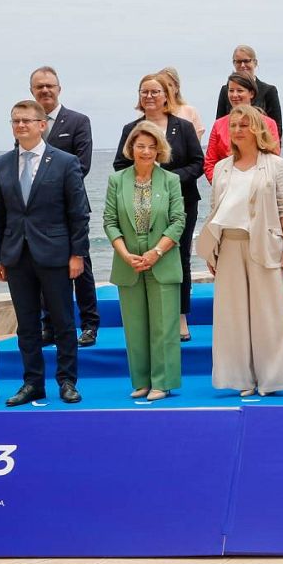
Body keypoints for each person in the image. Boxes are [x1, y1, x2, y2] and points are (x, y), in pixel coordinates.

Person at [0, 100, 88, 406]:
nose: (21, 125)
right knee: (27, 324)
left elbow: (78, 213)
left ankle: (67, 380)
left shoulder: (65, 162)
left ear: (42, 125)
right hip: (16, 255)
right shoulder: (2, 163)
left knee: (62, 321)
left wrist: (78, 254)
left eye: (27, 120)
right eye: (15, 121)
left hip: (56, 254)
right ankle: (32, 383)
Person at [198, 105, 283, 396]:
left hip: (266, 244)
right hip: (229, 245)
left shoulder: (276, 165)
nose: (238, 130)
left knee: (271, 314)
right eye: (233, 125)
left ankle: (272, 379)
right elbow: (215, 209)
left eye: (244, 125)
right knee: (232, 316)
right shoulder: (221, 167)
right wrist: (212, 250)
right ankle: (240, 378)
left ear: (257, 128)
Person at [113, 73, 203, 342]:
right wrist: (146, 178)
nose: (149, 96)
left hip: (180, 202)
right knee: (143, 255)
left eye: (155, 91)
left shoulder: (183, 127)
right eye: (145, 91)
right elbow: (120, 164)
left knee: (180, 257)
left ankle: (180, 316)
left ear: (167, 95)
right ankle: (149, 317)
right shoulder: (131, 128)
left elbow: (197, 163)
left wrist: (168, 180)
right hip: (139, 205)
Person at [102, 121, 185, 401]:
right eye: (140, 146)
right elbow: (110, 221)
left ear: (159, 150)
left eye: (151, 146)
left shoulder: (170, 180)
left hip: (162, 260)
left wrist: (156, 252)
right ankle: (141, 382)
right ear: (131, 148)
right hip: (129, 263)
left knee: (164, 327)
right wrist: (125, 254)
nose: (146, 151)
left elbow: (178, 221)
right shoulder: (117, 180)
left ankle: (163, 382)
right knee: (135, 327)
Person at [29, 66, 100, 346]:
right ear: (32, 91)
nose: (45, 90)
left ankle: (90, 324)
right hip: (38, 212)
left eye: (50, 85)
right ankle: (49, 325)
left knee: (81, 267)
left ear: (59, 88)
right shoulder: (28, 123)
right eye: (39, 86)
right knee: (44, 269)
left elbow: (82, 165)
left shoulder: (78, 121)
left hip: (71, 208)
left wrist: (46, 187)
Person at [205, 72, 282, 179]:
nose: (234, 95)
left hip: (259, 184)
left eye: (240, 90)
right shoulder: (219, 125)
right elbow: (210, 162)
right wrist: (221, 184)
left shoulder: (268, 123)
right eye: (231, 90)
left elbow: (274, 157)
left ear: (251, 93)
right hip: (226, 185)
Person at [215, 44, 282, 132]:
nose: (242, 65)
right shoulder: (225, 90)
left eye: (246, 61)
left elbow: (276, 127)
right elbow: (219, 124)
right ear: (234, 63)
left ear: (255, 62)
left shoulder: (269, 91)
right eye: (239, 62)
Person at [156, 67, 205, 139]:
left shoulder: (190, 112)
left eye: (169, 85)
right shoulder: (149, 113)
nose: (166, 89)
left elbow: (196, 143)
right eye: (162, 85)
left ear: (176, 88)